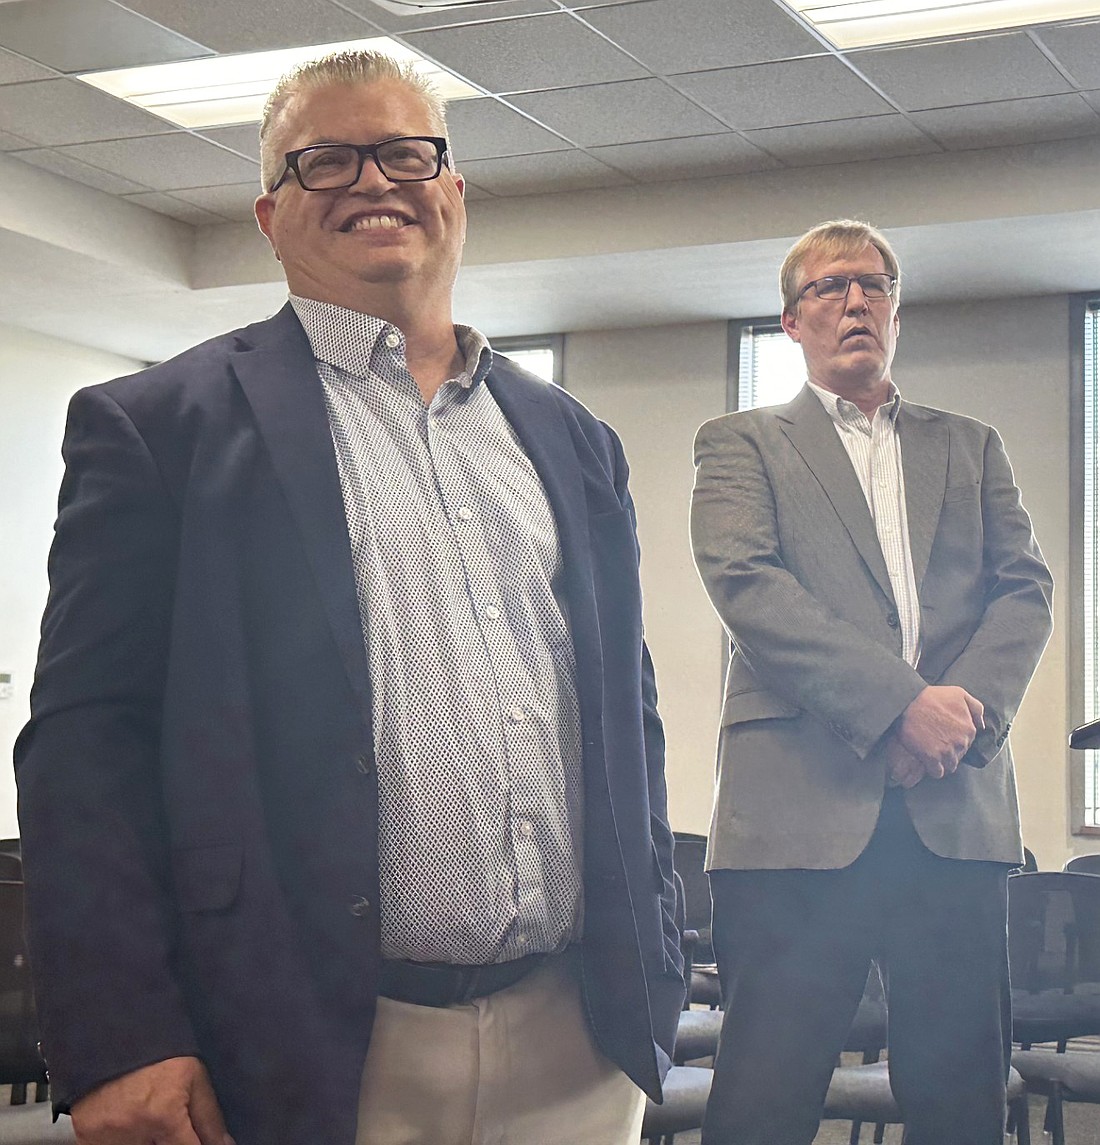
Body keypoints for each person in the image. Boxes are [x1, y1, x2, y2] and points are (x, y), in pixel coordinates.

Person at [15, 50, 684, 1145]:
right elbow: (85, 745)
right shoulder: (160, 429)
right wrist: (121, 1029)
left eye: (404, 153)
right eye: (323, 161)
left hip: (578, 1036)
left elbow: (627, 718)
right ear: (271, 214)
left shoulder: (571, 441)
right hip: (307, 1040)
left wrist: (657, 949)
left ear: (453, 191)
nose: (372, 182)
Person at [690, 219, 1053, 1145]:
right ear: (790, 321)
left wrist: (959, 719)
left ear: (897, 311)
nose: (856, 302)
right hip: (796, 822)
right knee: (765, 1097)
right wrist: (901, 707)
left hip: (954, 812)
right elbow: (749, 586)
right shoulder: (740, 442)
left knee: (962, 1096)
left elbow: (1025, 591)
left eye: (875, 285)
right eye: (830, 287)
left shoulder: (972, 447)